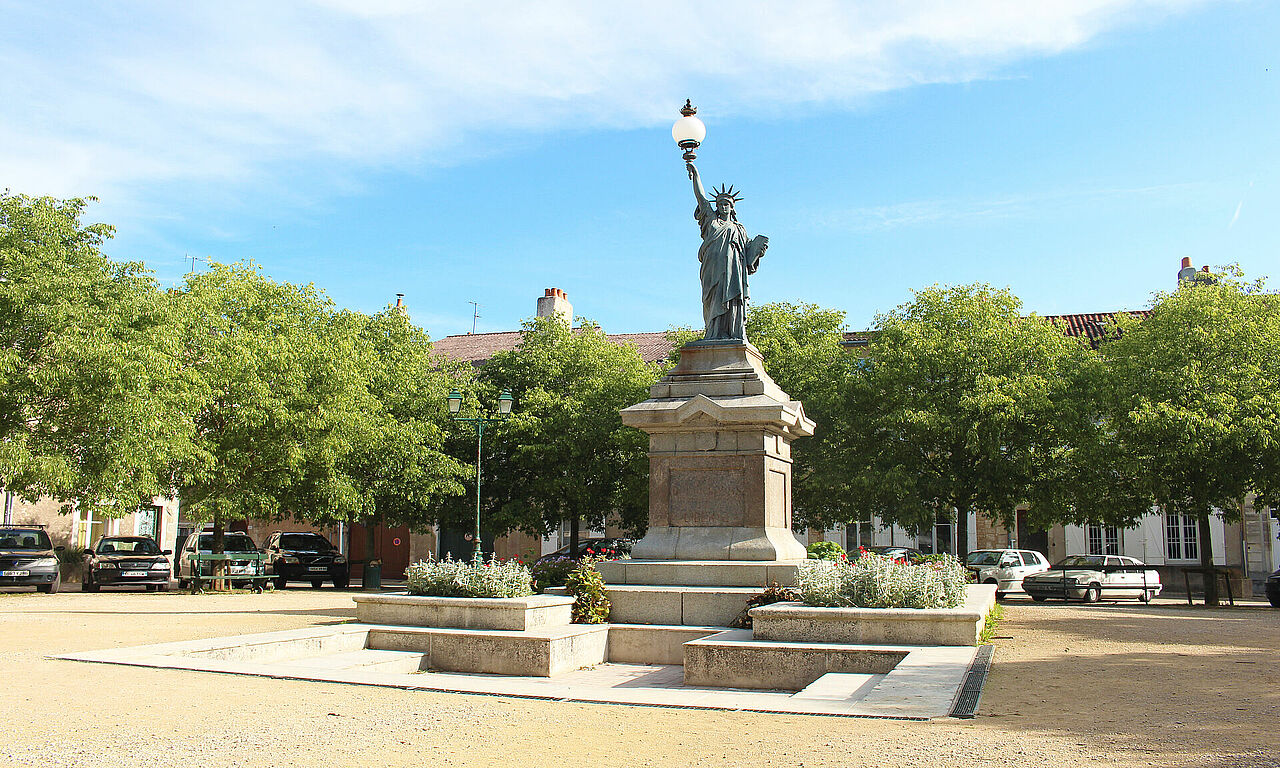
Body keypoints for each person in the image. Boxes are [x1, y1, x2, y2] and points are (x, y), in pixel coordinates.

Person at [687, 160, 768, 341]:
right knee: (712, 300)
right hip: (712, 270)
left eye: (727, 204)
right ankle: (713, 332)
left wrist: (758, 252)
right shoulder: (711, 221)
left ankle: (732, 332)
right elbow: (701, 198)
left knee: (733, 300)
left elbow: (748, 256)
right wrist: (696, 175)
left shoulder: (739, 229)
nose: (723, 207)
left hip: (734, 273)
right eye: (720, 204)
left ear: (732, 207)